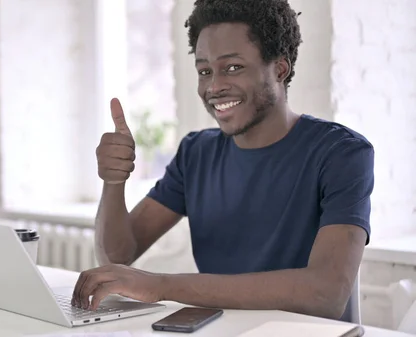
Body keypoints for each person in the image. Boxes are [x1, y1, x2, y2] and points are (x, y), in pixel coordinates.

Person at [72, 0, 374, 322]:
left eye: (233, 67)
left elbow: (324, 294)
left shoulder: (341, 153)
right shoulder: (196, 154)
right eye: (205, 71)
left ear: (279, 69)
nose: (214, 87)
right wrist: (113, 181)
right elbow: (116, 256)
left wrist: (160, 286)